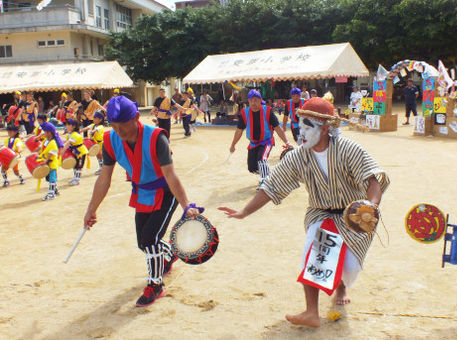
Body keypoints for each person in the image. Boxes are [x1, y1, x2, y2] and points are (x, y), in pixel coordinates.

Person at [219, 97, 389, 328]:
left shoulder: (349, 149)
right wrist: (244, 211)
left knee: (348, 267)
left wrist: (371, 207)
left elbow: (372, 179)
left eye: (309, 125)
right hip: (320, 214)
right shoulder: (298, 156)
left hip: (355, 217)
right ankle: (311, 311)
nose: (302, 130)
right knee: (315, 253)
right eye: (301, 124)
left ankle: (340, 287)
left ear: (325, 127)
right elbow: (272, 185)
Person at [83, 95, 200, 307]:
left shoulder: (156, 138)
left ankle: (156, 285)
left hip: (166, 193)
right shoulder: (110, 140)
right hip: (142, 193)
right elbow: (104, 178)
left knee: (149, 240)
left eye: (124, 127)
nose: (119, 132)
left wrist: (186, 205)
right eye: (114, 126)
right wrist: (92, 208)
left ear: (136, 117)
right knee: (143, 243)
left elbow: (171, 175)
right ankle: (170, 254)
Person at [228, 89, 292, 187]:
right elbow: (239, 131)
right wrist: (233, 145)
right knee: (252, 168)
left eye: (256, 100)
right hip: (253, 143)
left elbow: (278, 128)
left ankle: (265, 182)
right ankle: (268, 175)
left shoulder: (268, 111)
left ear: (260, 100)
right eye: (251, 100)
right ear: (248, 101)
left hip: (267, 141)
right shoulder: (244, 113)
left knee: (261, 159)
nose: (253, 102)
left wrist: (287, 142)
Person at [39, 122, 63, 200]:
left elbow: (51, 153)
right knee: (50, 178)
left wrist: (46, 160)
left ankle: (51, 193)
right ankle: (55, 190)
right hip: (47, 163)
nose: (44, 133)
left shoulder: (53, 142)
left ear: (49, 133)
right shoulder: (46, 141)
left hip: (51, 163)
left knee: (52, 178)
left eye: (45, 132)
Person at [61, 119, 88, 186]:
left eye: (68, 125)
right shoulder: (70, 134)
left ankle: (77, 179)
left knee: (79, 166)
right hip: (75, 152)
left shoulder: (75, 135)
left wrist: (63, 151)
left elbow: (68, 143)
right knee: (75, 165)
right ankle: (75, 178)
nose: (66, 126)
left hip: (80, 152)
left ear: (73, 126)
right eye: (66, 124)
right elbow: (63, 141)